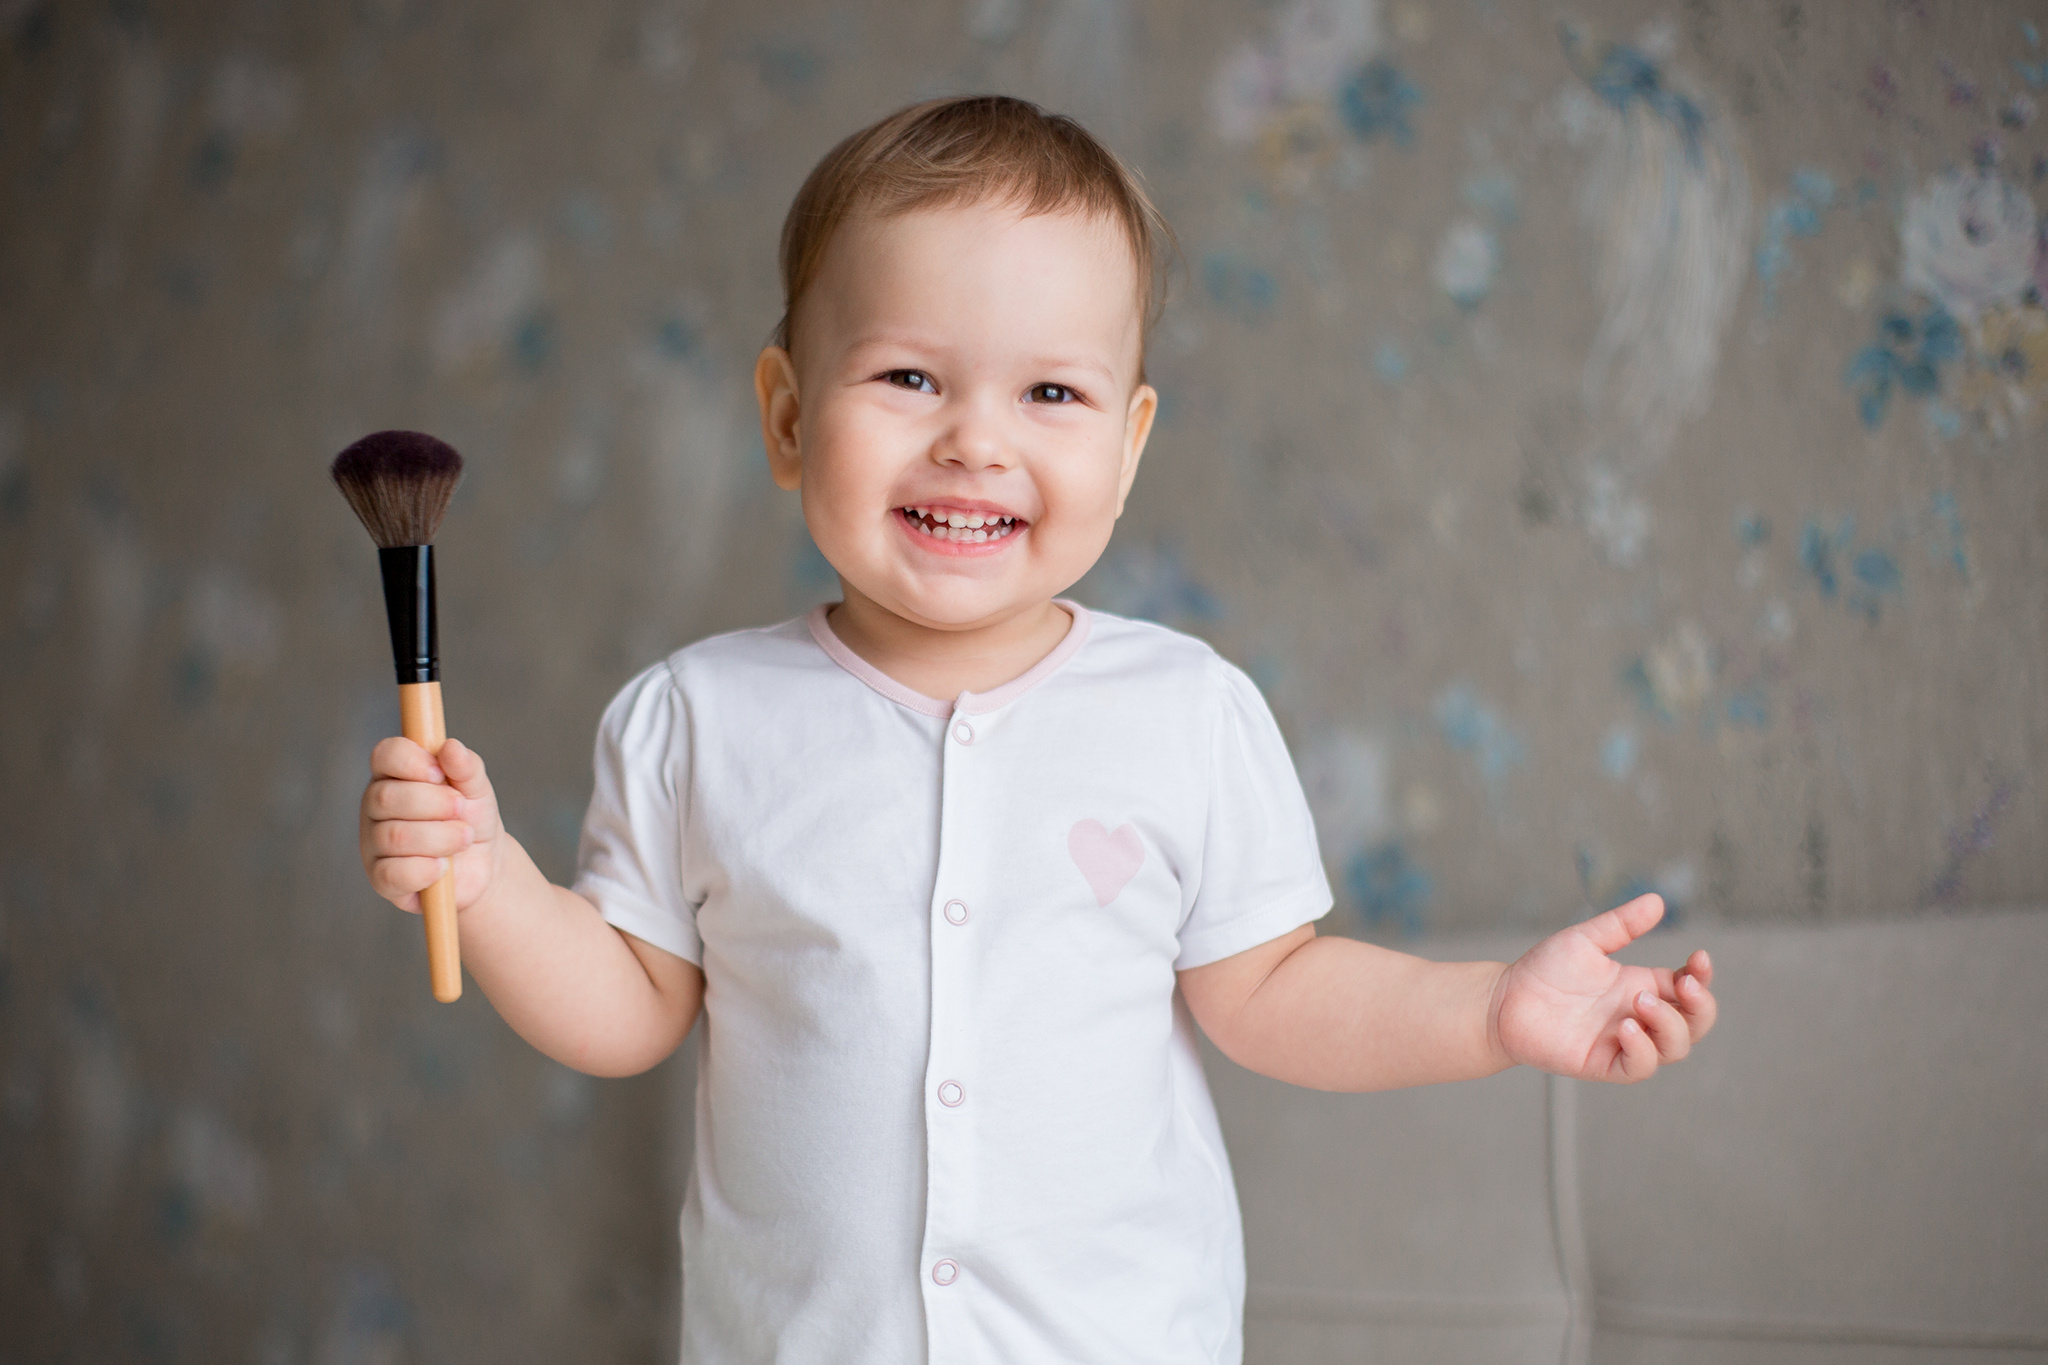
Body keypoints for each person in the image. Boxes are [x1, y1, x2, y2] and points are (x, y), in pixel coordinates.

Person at [357, 95, 1718, 1363]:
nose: (974, 442)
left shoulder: (1186, 713)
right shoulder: (697, 718)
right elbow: (627, 1006)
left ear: (1127, 447)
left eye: (1049, 394)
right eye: (907, 377)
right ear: (784, 415)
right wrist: (486, 882)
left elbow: (1277, 993)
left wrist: (1492, 1007)